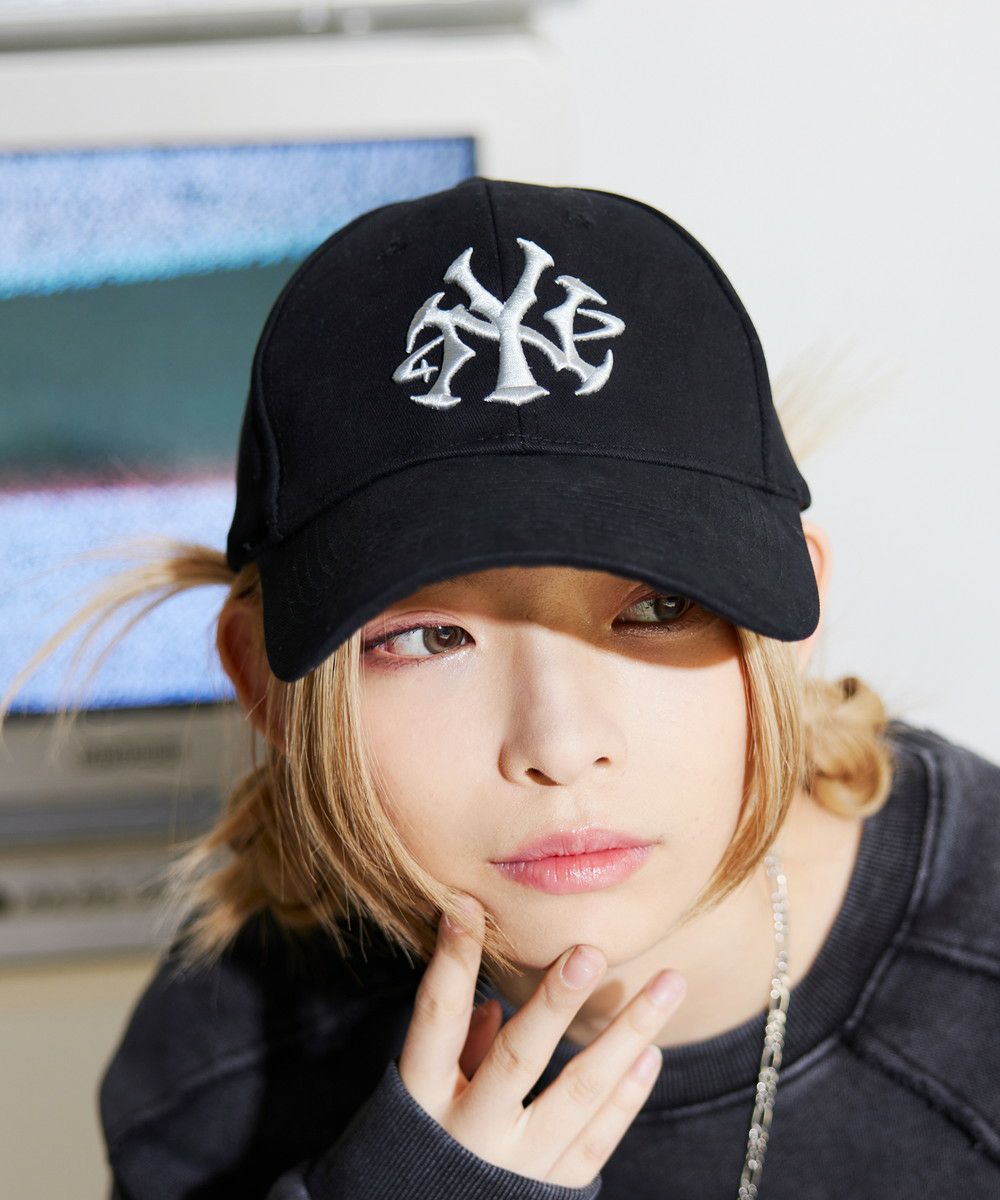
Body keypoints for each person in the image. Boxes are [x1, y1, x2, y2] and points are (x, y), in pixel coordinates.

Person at [3, 176, 998, 1199]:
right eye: (430, 637)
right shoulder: (224, 1073)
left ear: (794, 618)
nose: (559, 746)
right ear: (267, 685)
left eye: (657, 606)